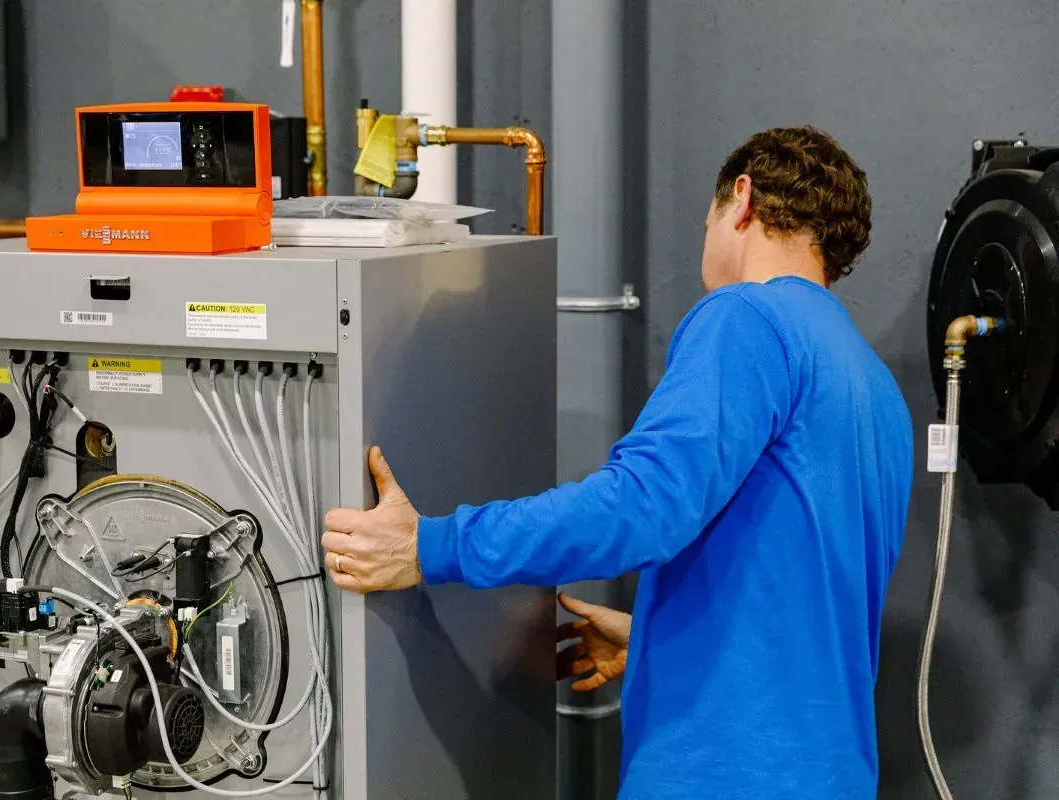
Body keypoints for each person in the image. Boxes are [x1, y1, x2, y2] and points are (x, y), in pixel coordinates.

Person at [320, 126, 913, 798]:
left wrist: (432, 545)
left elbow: (638, 508)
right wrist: (658, 638)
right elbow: (797, 593)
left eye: (708, 219)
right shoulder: (871, 386)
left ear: (741, 200)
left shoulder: (747, 319)